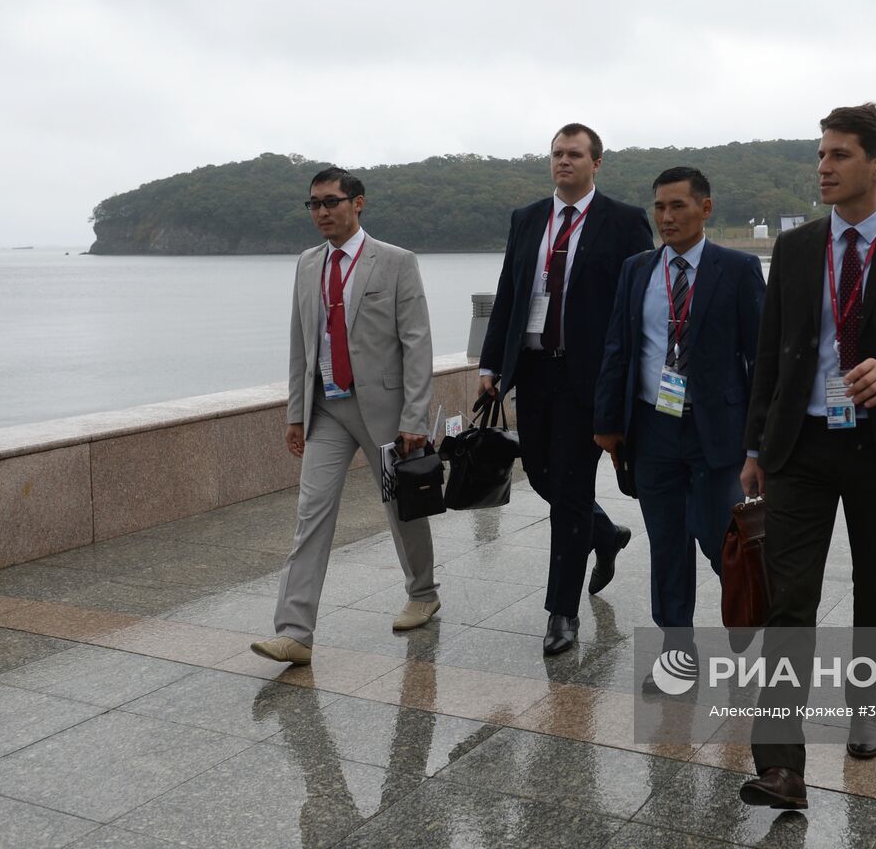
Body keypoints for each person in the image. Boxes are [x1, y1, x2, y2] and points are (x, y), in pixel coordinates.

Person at [736, 103, 876, 810]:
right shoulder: (797, 249)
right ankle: (780, 766)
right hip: (800, 444)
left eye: (838, 155)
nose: (823, 167)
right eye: (821, 154)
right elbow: (769, 352)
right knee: (789, 600)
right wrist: (754, 445)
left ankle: (867, 705)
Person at [251, 167, 439, 666]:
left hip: (386, 410)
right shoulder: (307, 265)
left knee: (403, 510)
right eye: (313, 204)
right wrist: (296, 412)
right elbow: (301, 342)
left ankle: (423, 593)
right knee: (311, 516)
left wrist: (415, 417)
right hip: (327, 410)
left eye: (331, 202)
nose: (321, 212)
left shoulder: (396, 262)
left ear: (358, 203)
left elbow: (417, 343)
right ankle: (294, 631)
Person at [478, 123, 654, 656]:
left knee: (571, 493)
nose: (563, 162)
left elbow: (639, 304)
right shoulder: (528, 218)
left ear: (596, 162)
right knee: (540, 474)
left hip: (590, 378)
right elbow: (510, 292)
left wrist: (631, 380)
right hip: (533, 372)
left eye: (574, 154)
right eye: (557, 154)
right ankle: (605, 534)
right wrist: (491, 364)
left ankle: (562, 613)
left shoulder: (623, 222)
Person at [592, 167, 765, 674]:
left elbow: (759, 356)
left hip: (717, 430)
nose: (666, 218)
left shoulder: (736, 268)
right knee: (667, 543)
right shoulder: (637, 269)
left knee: (720, 536)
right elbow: (617, 348)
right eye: (660, 208)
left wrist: (759, 442)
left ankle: (743, 613)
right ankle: (675, 650)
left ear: (705, 208)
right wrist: (608, 422)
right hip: (653, 428)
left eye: (678, 207)